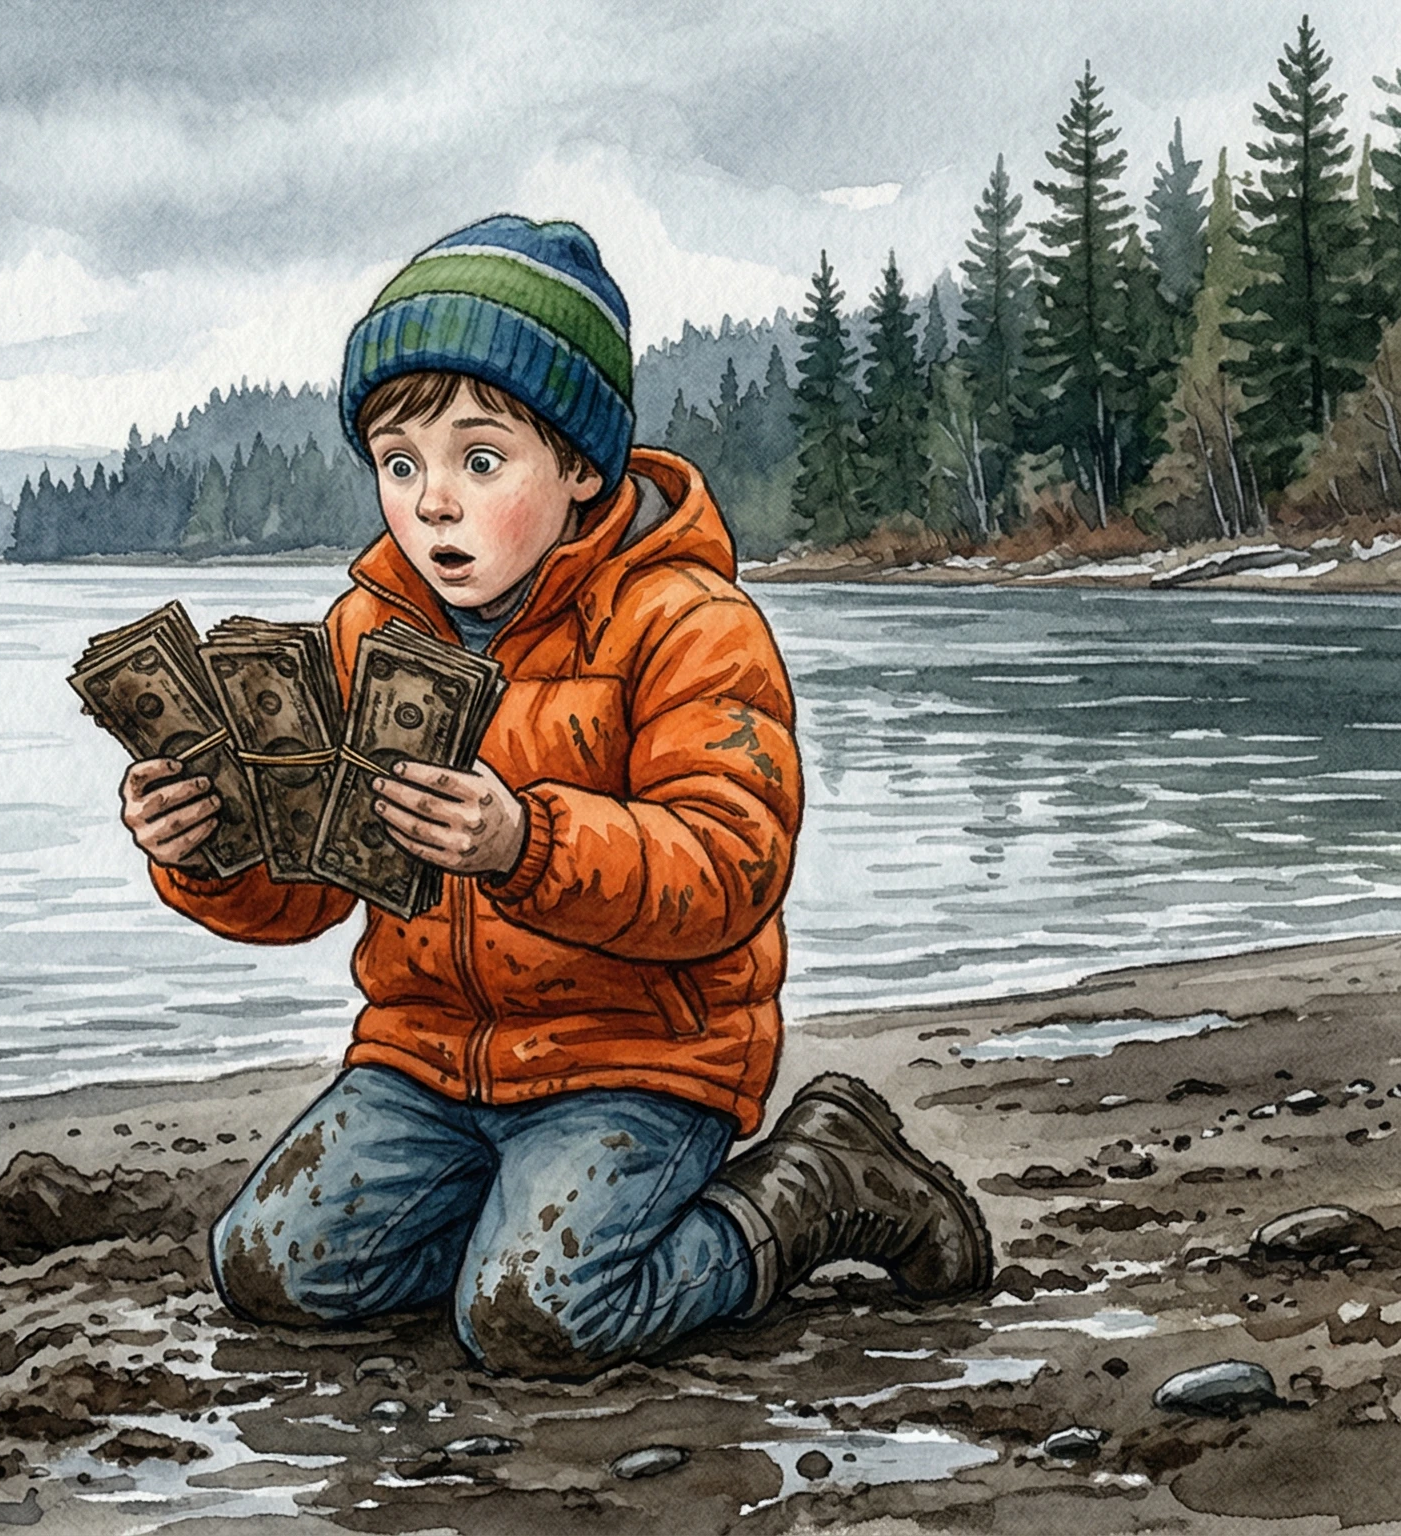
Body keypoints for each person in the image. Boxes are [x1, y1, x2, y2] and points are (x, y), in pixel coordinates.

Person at [117, 215, 991, 1378]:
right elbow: (308, 893)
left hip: (639, 1060)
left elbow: (727, 869)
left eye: (479, 462)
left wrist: (523, 843)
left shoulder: (688, 623)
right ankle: (499, 1215)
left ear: (579, 466)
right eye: (399, 463)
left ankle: (814, 1185)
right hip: (425, 1060)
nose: (432, 503)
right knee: (268, 1268)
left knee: (538, 1320)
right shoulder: (362, 631)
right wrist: (207, 847)